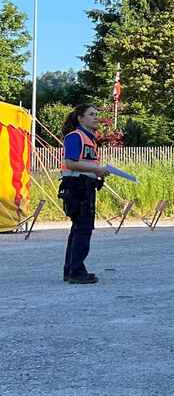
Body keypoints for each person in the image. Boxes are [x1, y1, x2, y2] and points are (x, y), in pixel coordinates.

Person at [59, 104, 107, 284]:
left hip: (84, 185)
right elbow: (70, 163)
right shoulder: (75, 136)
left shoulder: (90, 138)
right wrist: (97, 168)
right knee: (83, 228)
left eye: (97, 114)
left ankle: (71, 269)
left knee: (78, 228)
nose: (96, 117)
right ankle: (76, 271)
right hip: (77, 186)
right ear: (80, 118)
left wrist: (97, 172)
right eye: (91, 114)